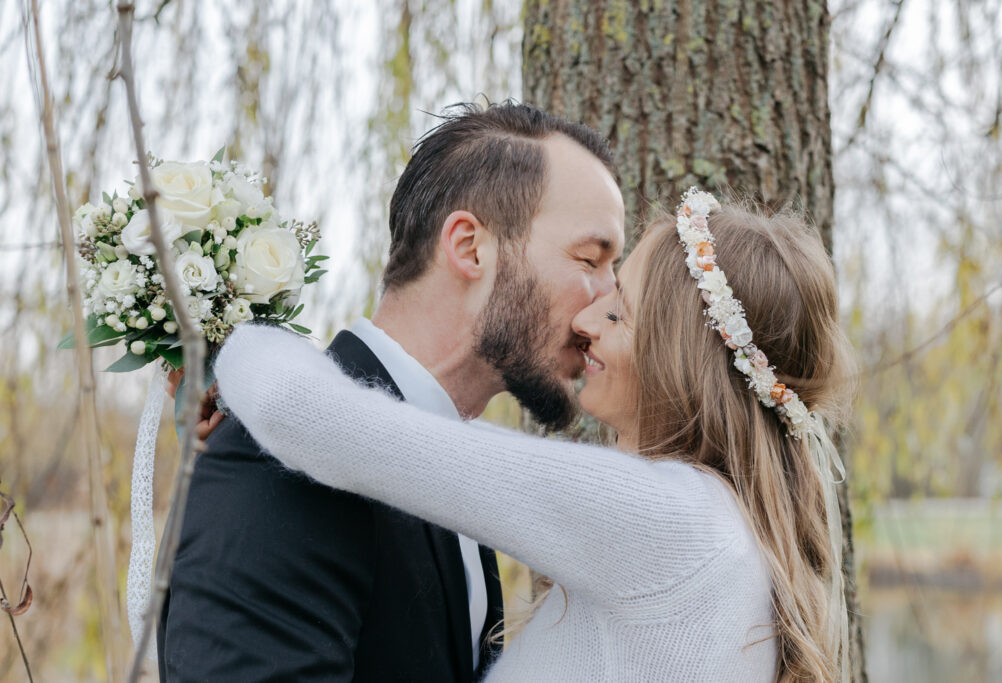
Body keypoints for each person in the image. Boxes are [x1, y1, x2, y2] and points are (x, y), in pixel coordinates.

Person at [213, 190, 856, 682]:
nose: (585, 320)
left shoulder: (669, 520)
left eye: (620, 310)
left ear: (678, 356)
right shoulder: (722, 533)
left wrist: (217, 338)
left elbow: (293, 405)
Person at [157, 101, 626, 681]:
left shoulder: (455, 465)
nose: (609, 302)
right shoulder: (274, 457)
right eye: (589, 259)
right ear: (470, 247)